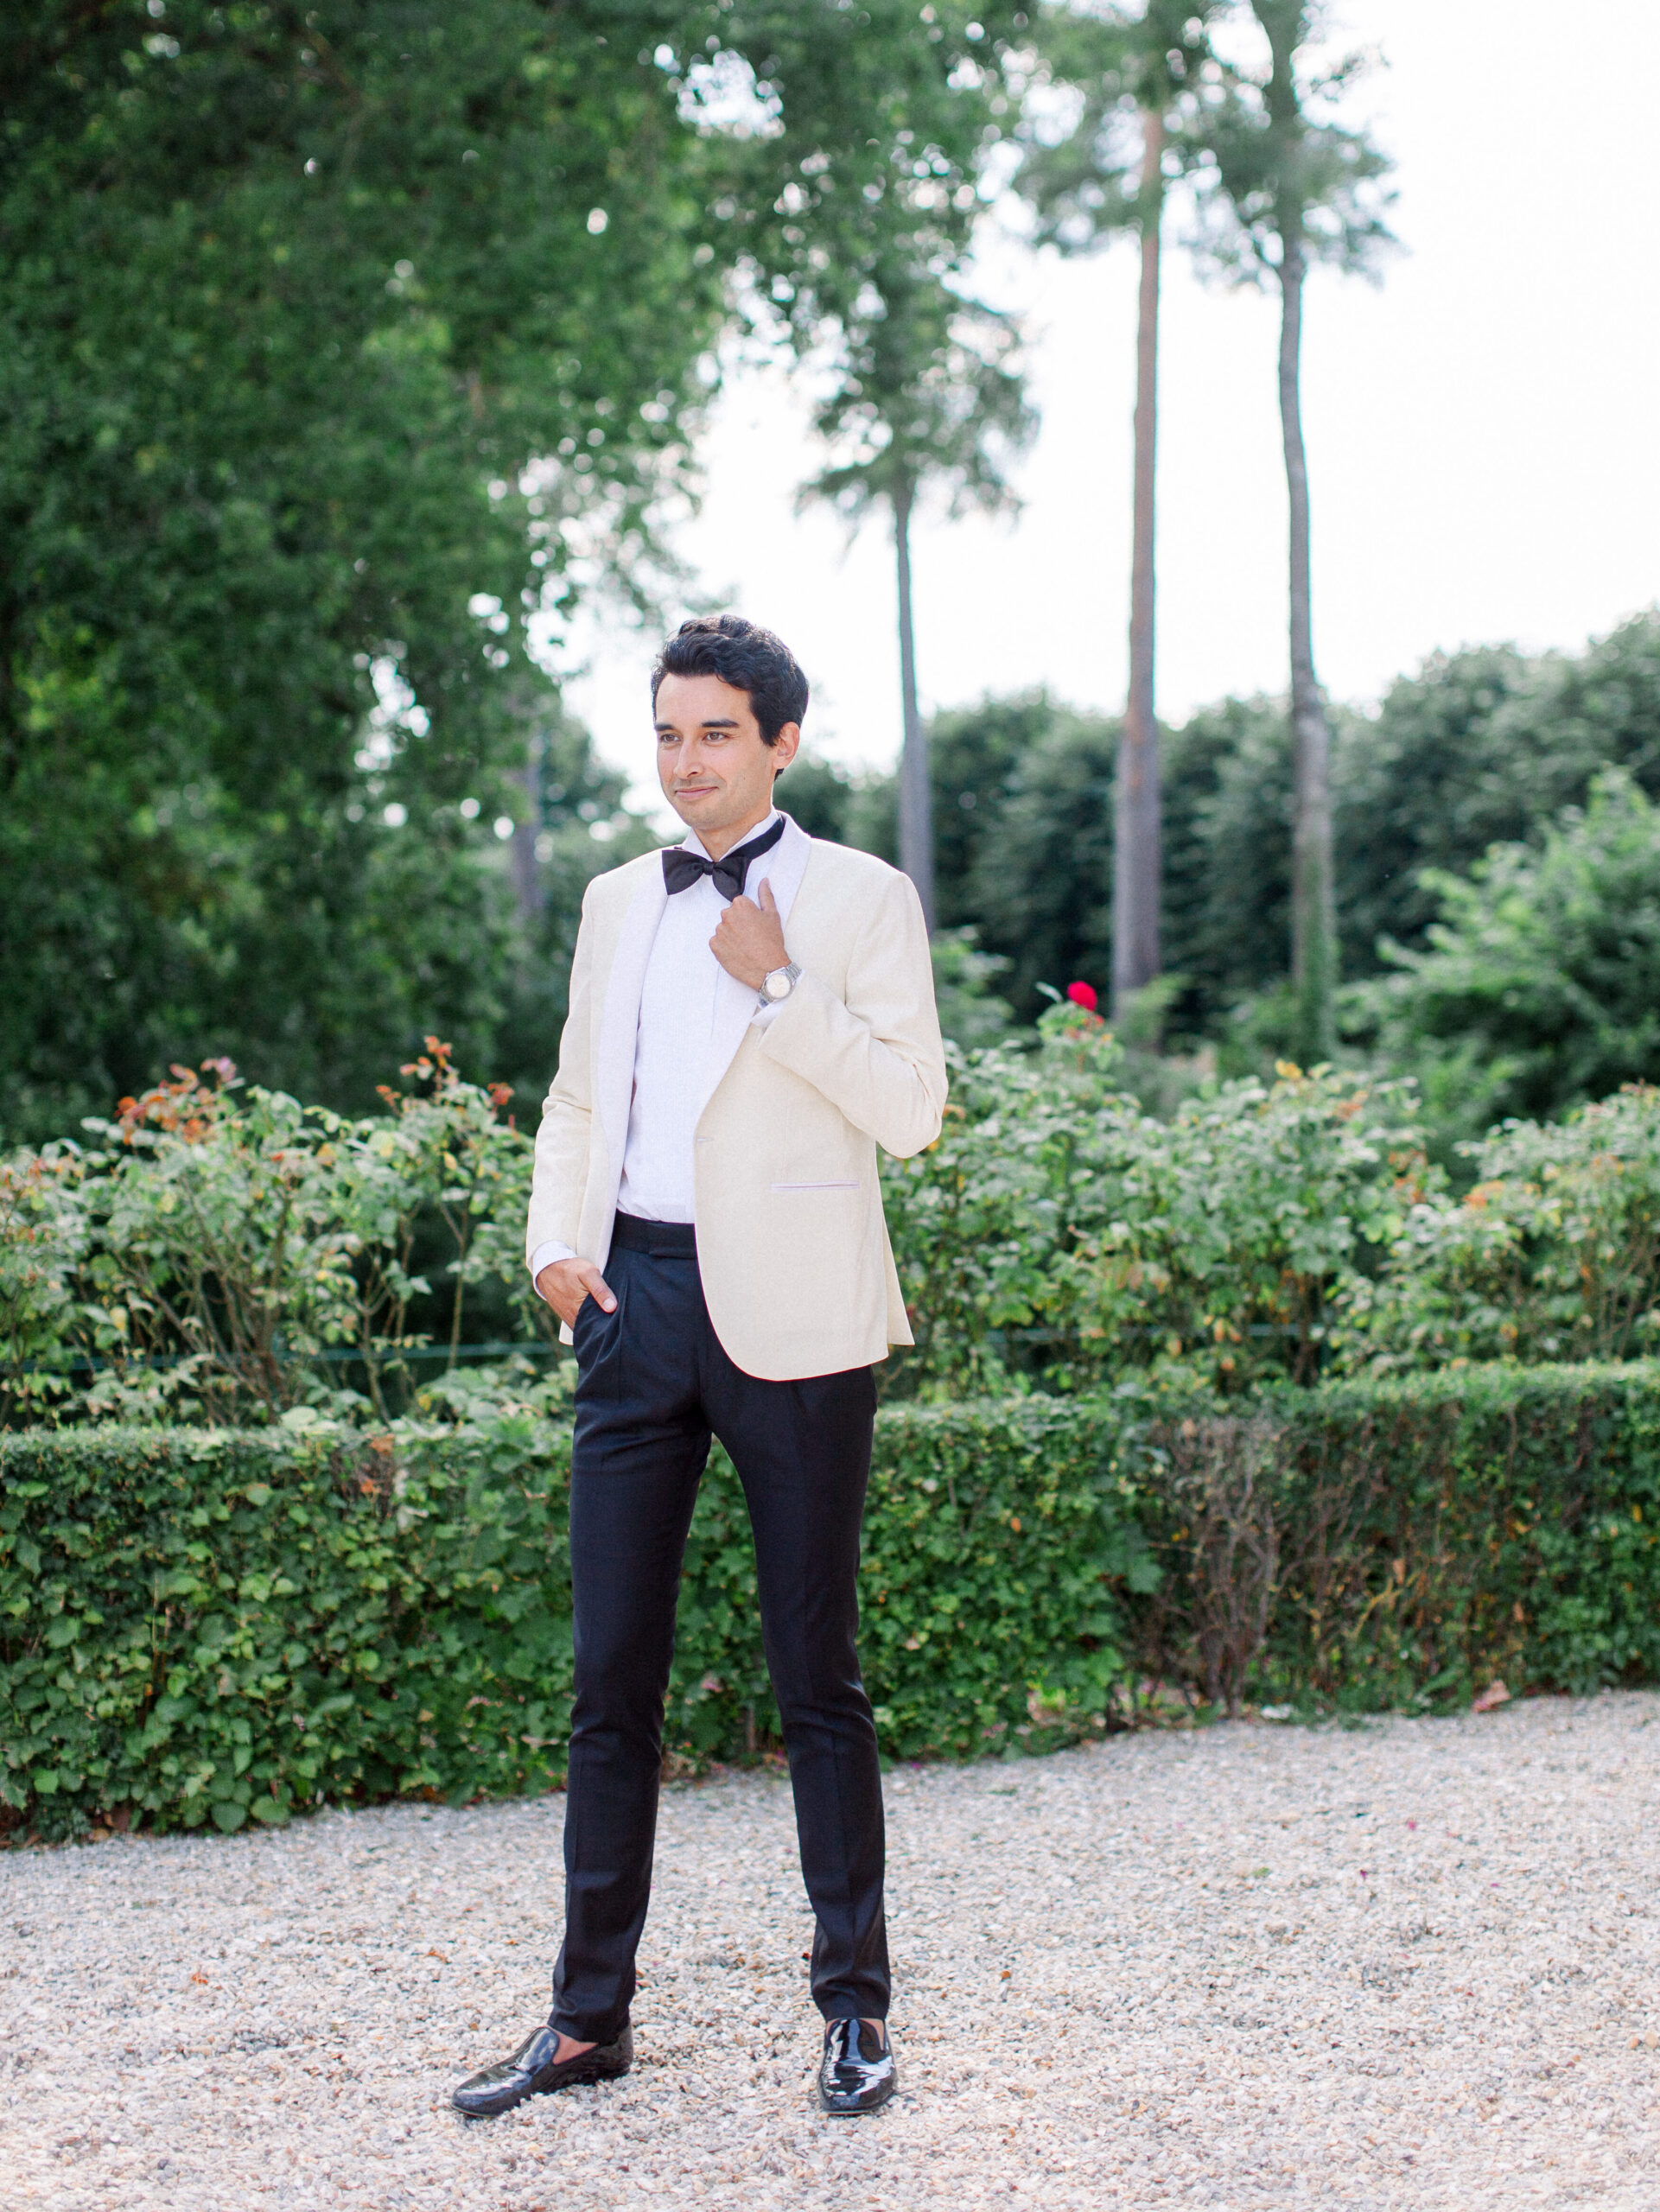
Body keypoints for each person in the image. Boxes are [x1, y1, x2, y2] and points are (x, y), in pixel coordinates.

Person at [451, 615, 947, 2122]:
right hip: (631, 1305)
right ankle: (586, 2017)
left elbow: (914, 1111)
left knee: (819, 1681)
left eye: (716, 734)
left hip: (798, 1319)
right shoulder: (616, 900)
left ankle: (853, 2012)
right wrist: (555, 1256)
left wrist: (781, 986)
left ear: (781, 741)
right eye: (667, 734)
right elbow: (574, 1094)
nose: (686, 763)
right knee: (609, 1682)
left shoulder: (860, 898)